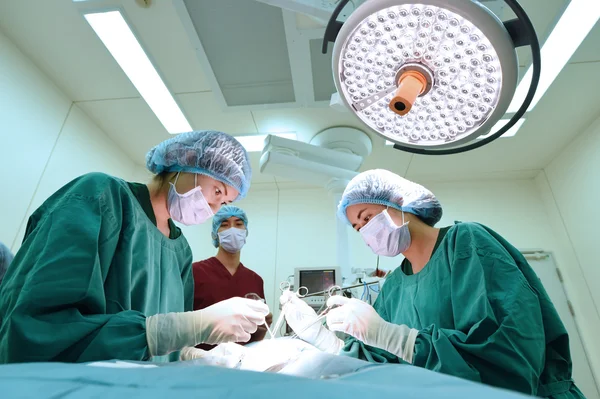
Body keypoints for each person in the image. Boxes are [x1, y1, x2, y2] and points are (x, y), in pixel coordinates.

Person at [281, 169, 584, 399]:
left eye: (367, 217)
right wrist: (324, 340)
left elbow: (509, 358)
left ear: (398, 203)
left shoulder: (466, 244)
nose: (365, 232)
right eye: (358, 227)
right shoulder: (394, 286)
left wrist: (395, 337)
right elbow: (381, 362)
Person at [0, 130, 269, 364]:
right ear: (188, 162)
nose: (214, 208)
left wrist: (190, 355)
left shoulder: (180, 252)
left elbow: (160, 343)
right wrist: (189, 327)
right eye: (217, 191)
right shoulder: (101, 197)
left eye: (224, 203)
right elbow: (38, 330)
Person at [192, 205, 273, 351]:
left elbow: (254, 336)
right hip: (201, 362)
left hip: (242, 363)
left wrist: (262, 327)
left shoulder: (255, 280)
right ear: (215, 234)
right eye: (224, 225)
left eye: (238, 224)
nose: (232, 229)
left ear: (245, 232)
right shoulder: (195, 272)